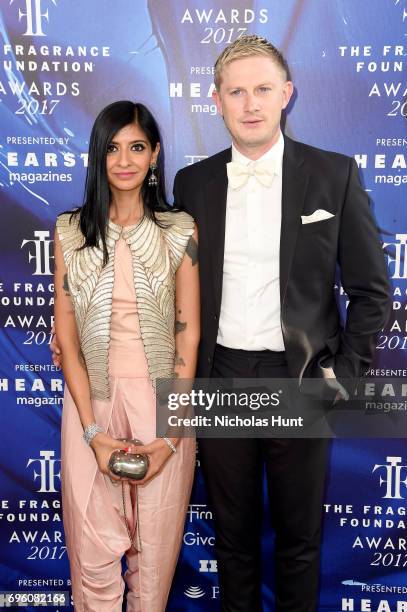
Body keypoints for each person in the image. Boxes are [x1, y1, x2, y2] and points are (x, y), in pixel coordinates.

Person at [172, 35, 391, 611]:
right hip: (220, 380)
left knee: (300, 544)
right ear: (216, 100)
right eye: (236, 91)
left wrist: (341, 375)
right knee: (233, 544)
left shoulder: (334, 174)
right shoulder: (191, 185)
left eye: (263, 89)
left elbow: (372, 293)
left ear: (286, 95)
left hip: (301, 380)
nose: (250, 104)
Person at [53, 100, 199, 612]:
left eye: (137, 147)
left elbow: (189, 335)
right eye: (112, 148)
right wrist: (92, 432)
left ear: (155, 154)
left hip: (164, 405)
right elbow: (66, 337)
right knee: (91, 568)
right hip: (89, 405)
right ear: (98, 156)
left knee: (153, 571)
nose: (124, 160)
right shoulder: (70, 231)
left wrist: (170, 434)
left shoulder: (180, 230)